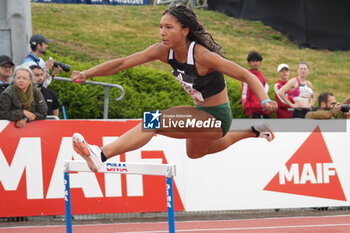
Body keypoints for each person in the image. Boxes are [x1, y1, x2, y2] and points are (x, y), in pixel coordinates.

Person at [70, 6, 277, 172]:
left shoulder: (203, 56)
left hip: (217, 117)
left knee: (153, 121)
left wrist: (265, 100)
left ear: (185, 31)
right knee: (195, 154)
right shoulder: (163, 51)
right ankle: (253, 131)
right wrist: (88, 73)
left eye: (169, 27)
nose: (162, 32)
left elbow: (247, 75)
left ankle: (101, 155)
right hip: (198, 113)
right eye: (161, 27)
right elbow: (122, 63)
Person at [241, 50, 270, 118]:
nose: (255, 63)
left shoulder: (263, 78)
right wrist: (248, 112)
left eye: (257, 61)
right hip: (253, 112)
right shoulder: (247, 76)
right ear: (249, 63)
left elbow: (265, 95)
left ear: (260, 62)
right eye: (253, 61)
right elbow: (244, 95)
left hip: (263, 111)